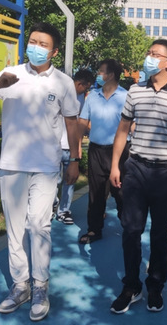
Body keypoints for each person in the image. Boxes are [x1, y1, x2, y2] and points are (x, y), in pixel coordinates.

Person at [0, 22, 81, 322]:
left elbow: (72, 123)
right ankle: (21, 286)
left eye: (43, 44)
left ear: (54, 51)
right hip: (12, 164)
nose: (36, 47)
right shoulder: (10, 75)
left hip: (46, 166)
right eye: (33, 41)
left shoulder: (64, 83)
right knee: (15, 228)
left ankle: (40, 286)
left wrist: (74, 159)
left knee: (39, 226)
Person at [108, 39, 167, 314]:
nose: (148, 57)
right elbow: (123, 130)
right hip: (136, 169)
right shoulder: (135, 91)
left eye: (154, 54)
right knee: (131, 229)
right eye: (148, 53)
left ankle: (155, 286)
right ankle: (131, 285)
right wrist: (115, 165)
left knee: (160, 232)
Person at [77, 59, 129, 244]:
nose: (98, 75)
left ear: (111, 75)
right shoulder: (92, 96)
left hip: (119, 152)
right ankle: (94, 229)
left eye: (101, 71)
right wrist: (77, 145)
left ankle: (128, 226)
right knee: (96, 191)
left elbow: (132, 124)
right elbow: (83, 121)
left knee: (121, 191)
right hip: (96, 151)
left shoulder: (126, 96)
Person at [55, 69, 95, 225]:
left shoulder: (81, 98)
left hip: (71, 147)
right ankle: (51, 205)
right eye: (86, 88)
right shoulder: (60, 92)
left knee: (70, 180)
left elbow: (79, 124)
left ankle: (64, 210)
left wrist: (77, 148)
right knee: (53, 180)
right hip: (55, 145)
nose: (86, 91)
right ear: (79, 84)